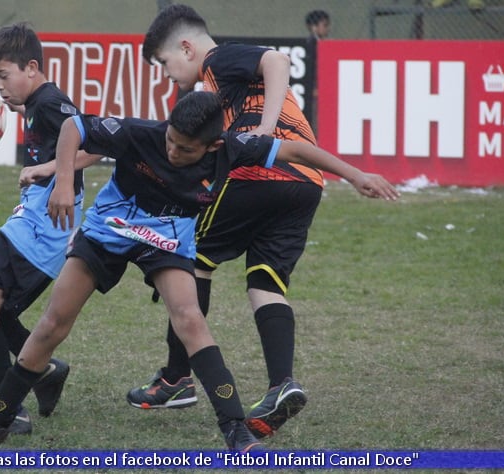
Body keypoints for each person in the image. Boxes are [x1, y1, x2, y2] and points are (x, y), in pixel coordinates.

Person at [0, 91, 399, 451]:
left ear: (214, 146)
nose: (172, 149)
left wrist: (356, 175)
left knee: (190, 320)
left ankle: (235, 429)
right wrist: (64, 180)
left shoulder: (235, 149)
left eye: (185, 149)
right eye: (170, 140)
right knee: (52, 324)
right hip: (109, 228)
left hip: (167, 237)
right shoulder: (142, 133)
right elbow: (73, 126)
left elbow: (298, 149)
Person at [130, 4, 393, 440]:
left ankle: (177, 379)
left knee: (191, 262)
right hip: (306, 182)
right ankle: (281, 385)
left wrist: (266, 127)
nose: (166, 73)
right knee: (265, 285)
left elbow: (277, 59)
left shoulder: (217, 61)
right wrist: (355, 175)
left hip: (260, 174)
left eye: (165, 62)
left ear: (187, 46)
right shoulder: (213, 96)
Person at [0, 22, 100, 438]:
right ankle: (45, 371)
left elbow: (96, 144)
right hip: (30, 220)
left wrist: (48, 169)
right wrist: (17, 108)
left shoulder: (52, 103)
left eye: (3, 75)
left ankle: (6, 406)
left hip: (44, 228)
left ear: (31, 67)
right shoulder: (37, 103)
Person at [305, 9, 330, 133]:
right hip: (314, 89)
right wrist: (314, 87)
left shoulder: (321, 43)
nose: (327, 29)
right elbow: (312, 67)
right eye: (324, 25)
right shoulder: (311, 44)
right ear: (314, 26)